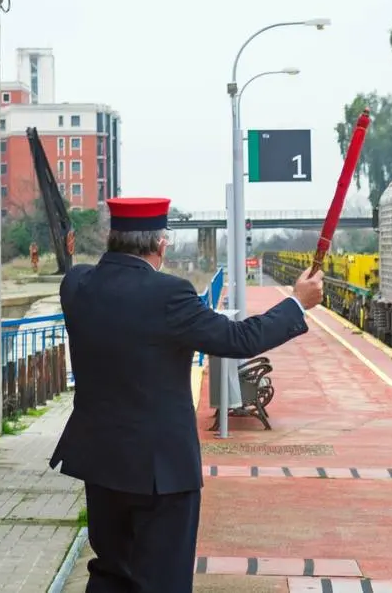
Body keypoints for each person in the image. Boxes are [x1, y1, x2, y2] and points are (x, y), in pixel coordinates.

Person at [48, 196, 324, 593]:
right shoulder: (170, 295)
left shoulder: (76, 286)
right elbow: (238, 338)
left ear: (112, 237)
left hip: (101, 464)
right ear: (161, 245)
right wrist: (297, 303)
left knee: (111, 571)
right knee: (163, 579)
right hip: (161, 473)